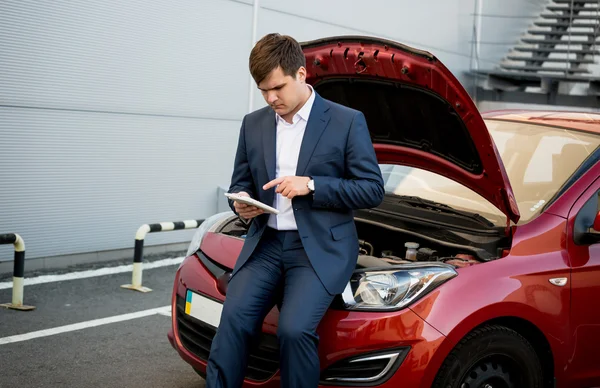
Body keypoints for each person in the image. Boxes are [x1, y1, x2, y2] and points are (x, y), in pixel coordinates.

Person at [206, 33, 384, 388]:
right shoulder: (253, 123)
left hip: (318, 248)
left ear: (302, 74)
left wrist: (313, 185)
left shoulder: (346, 121)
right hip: (266, 244)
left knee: (293, 328)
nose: (271, 98)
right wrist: (241, 204)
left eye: (278, 88)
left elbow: (372, 189)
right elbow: (240, 184)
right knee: (234, 318)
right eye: (263, 91)